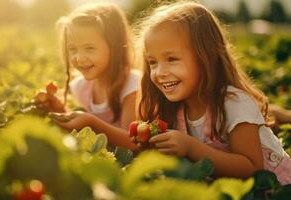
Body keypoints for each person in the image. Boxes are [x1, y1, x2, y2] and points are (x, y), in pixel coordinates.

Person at [135, 1, 291, 184]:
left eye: (172, 59)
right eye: (152, 62)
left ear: (205, 57)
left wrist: (191, 148)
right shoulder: (174, 110)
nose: (159, 72)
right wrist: (153, 147)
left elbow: (252, 168)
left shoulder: (233, 102)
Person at [37, 2, 139, 150]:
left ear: (114, 46)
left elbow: (133, 143)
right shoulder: (81, 87)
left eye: (89, 48)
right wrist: (61, 111)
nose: (79, 58)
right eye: (72, 49)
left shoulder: (132, 87)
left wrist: (91, 122)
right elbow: (86, 131)